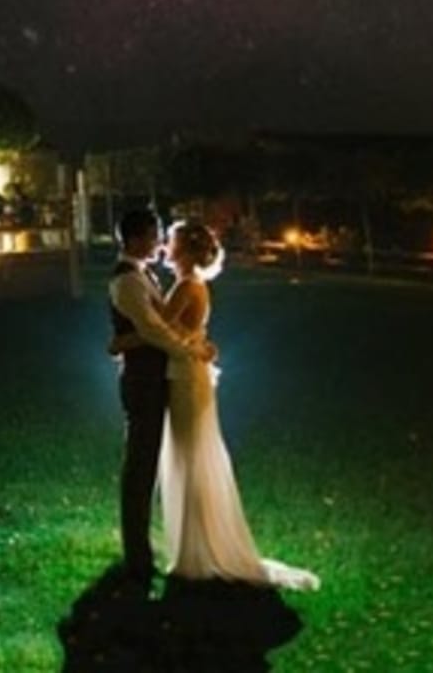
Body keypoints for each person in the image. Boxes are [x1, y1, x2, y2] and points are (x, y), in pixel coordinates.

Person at [151, 218, 320, 593]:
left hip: (185, 376)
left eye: (171, 240)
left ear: (186, 249)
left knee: (189, 455)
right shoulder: (194, 285)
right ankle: (195, 544)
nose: (165, 244)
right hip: (189, 372)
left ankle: (196, 551)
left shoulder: (186, 285)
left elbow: (158, 327)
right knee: (189, 454)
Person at [108, 206, 216, 593]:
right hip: (144, 381)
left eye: (162, 238)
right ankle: (138, 554)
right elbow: (155, 330)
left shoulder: (144, 275)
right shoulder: (128, 281)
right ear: (136, 239)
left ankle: (157, 549)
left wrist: (123, 342)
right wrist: (192, 347)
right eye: (154, 236)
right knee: (140, 466)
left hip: (164, 377)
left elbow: (159, 329)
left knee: (154, 461)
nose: (158, 243)